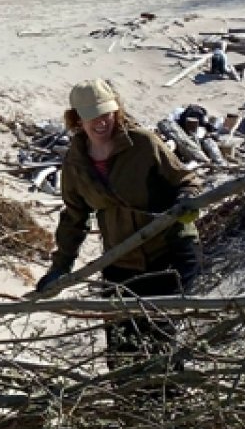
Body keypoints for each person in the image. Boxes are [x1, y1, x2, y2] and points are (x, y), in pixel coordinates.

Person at [36, 79, 201, 373]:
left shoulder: (143, 143)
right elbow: (74, 216)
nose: (101, 122)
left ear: (116, 110)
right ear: (77, 119)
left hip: (168, 252)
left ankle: (166, 407)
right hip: (121, 258)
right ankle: (128, 409)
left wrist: (186, 201)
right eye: (92, 116)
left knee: (158, 340)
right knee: (121, 348)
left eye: (106, 113)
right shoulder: (76, 161)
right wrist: (60, 268)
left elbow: (184, 181)